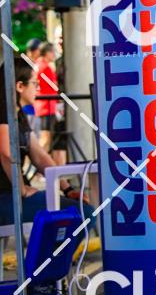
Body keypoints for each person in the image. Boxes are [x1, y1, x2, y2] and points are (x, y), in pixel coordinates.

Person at [0, 58, 92, 226]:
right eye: (35, 83)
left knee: (80, 211)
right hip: (6, 198)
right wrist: (21, 190)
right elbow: (6, 153)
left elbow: (40, 156)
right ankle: (50, 245)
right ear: (20, 86)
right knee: (84, 213)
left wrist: (67, 189)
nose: (38, 88)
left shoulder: (18, 114)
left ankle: (49, 245)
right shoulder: (3, 113)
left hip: (14, 196)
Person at [33, 43, 62, 161]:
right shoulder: (45, 67)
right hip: (47, 106)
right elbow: (54, 86)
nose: (54, 54)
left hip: (41, 105)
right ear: (47, 52)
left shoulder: (37, 64)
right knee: (46, 138)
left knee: (45, 137)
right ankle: (38, 164)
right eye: (52, 52)